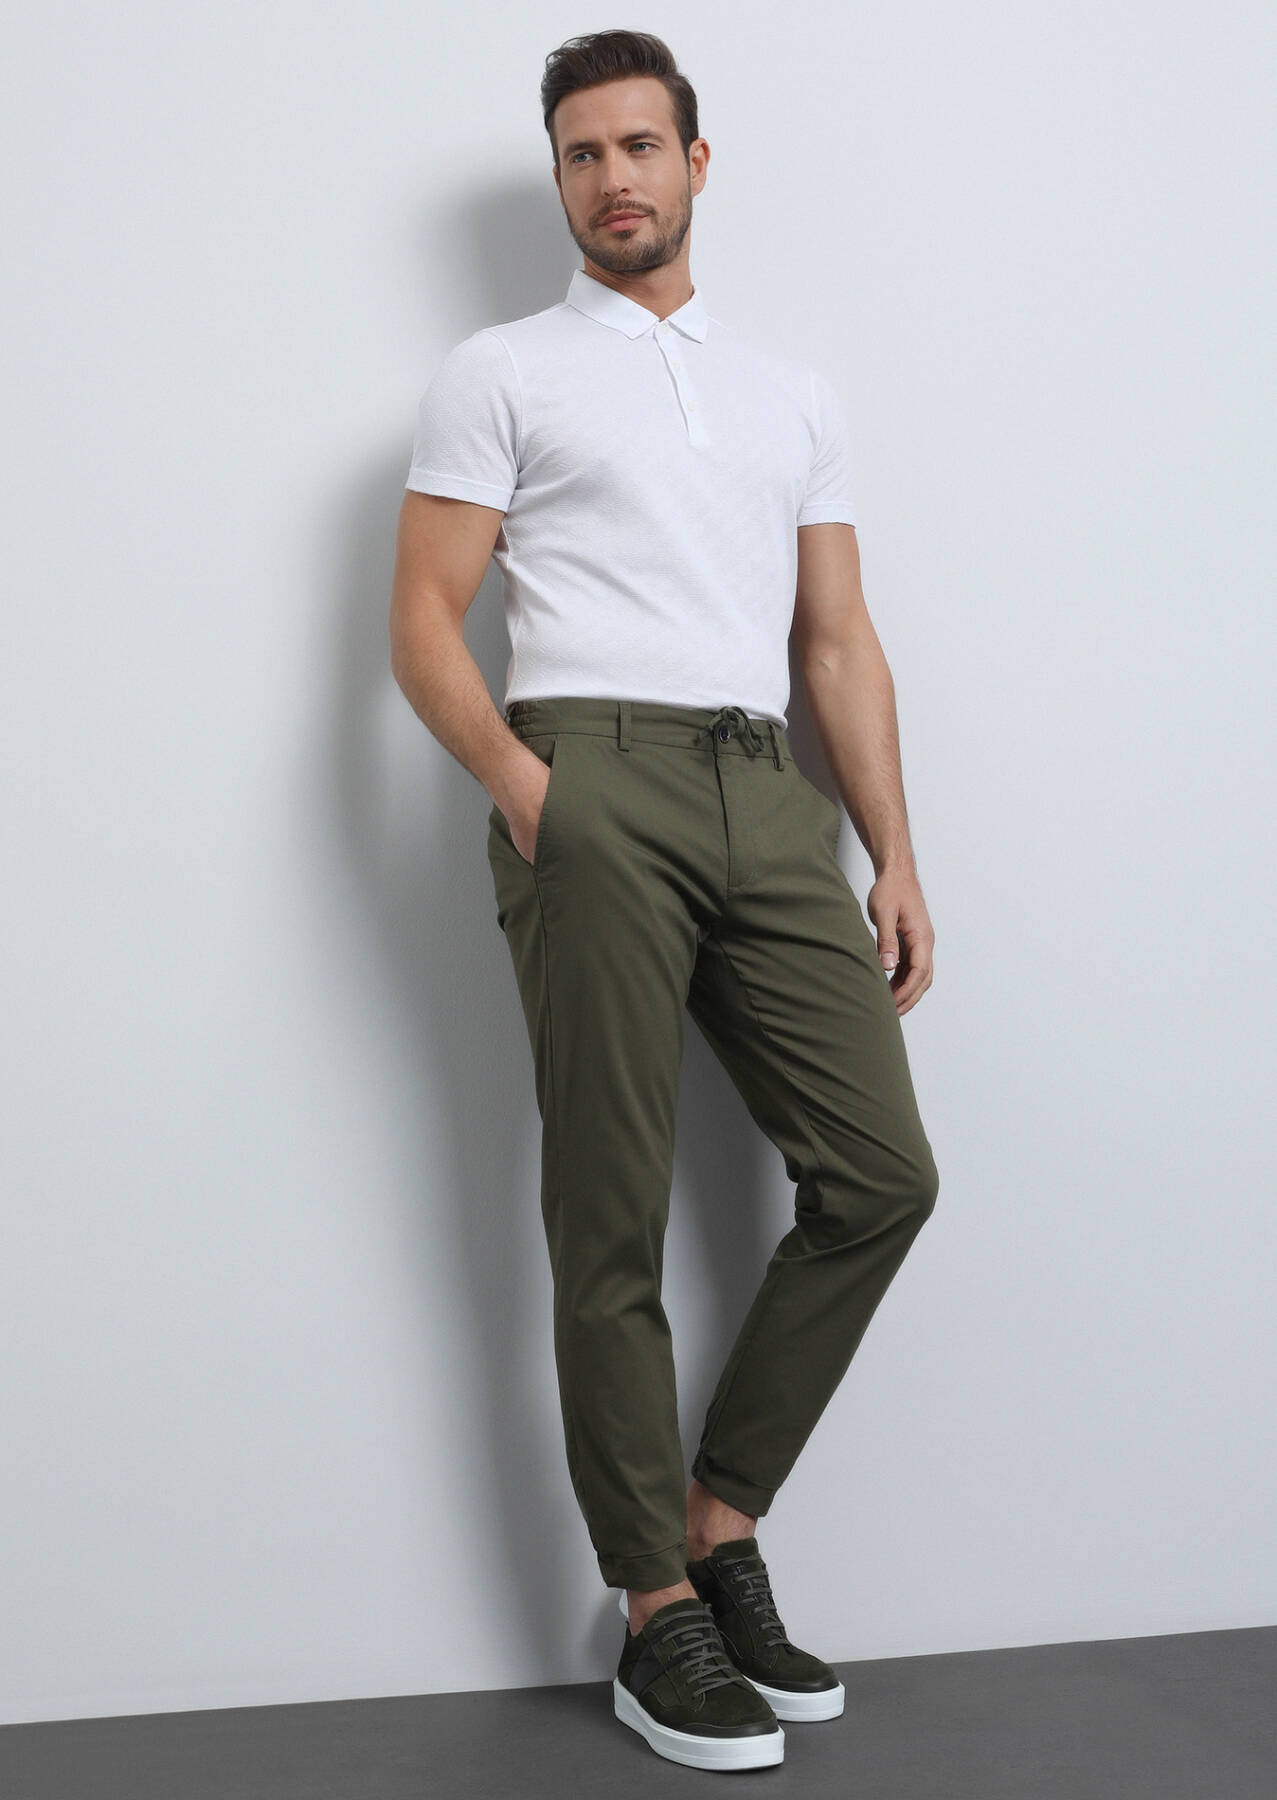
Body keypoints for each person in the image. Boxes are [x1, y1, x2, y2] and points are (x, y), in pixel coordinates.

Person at [389, 29, 940, 1774]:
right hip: (587, 771)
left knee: (880, 1177)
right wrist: (524, 785)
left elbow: (834, 643)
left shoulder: (789, 392)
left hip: (763, 789)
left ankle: (717, 1525)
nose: (611, 177)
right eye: (580, 153)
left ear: (697, 161)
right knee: (609, 1211)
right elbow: (422, 620)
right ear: (558, 180)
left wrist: (891, 850)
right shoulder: (499, 371)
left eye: (638, 145)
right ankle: (652, 1615)